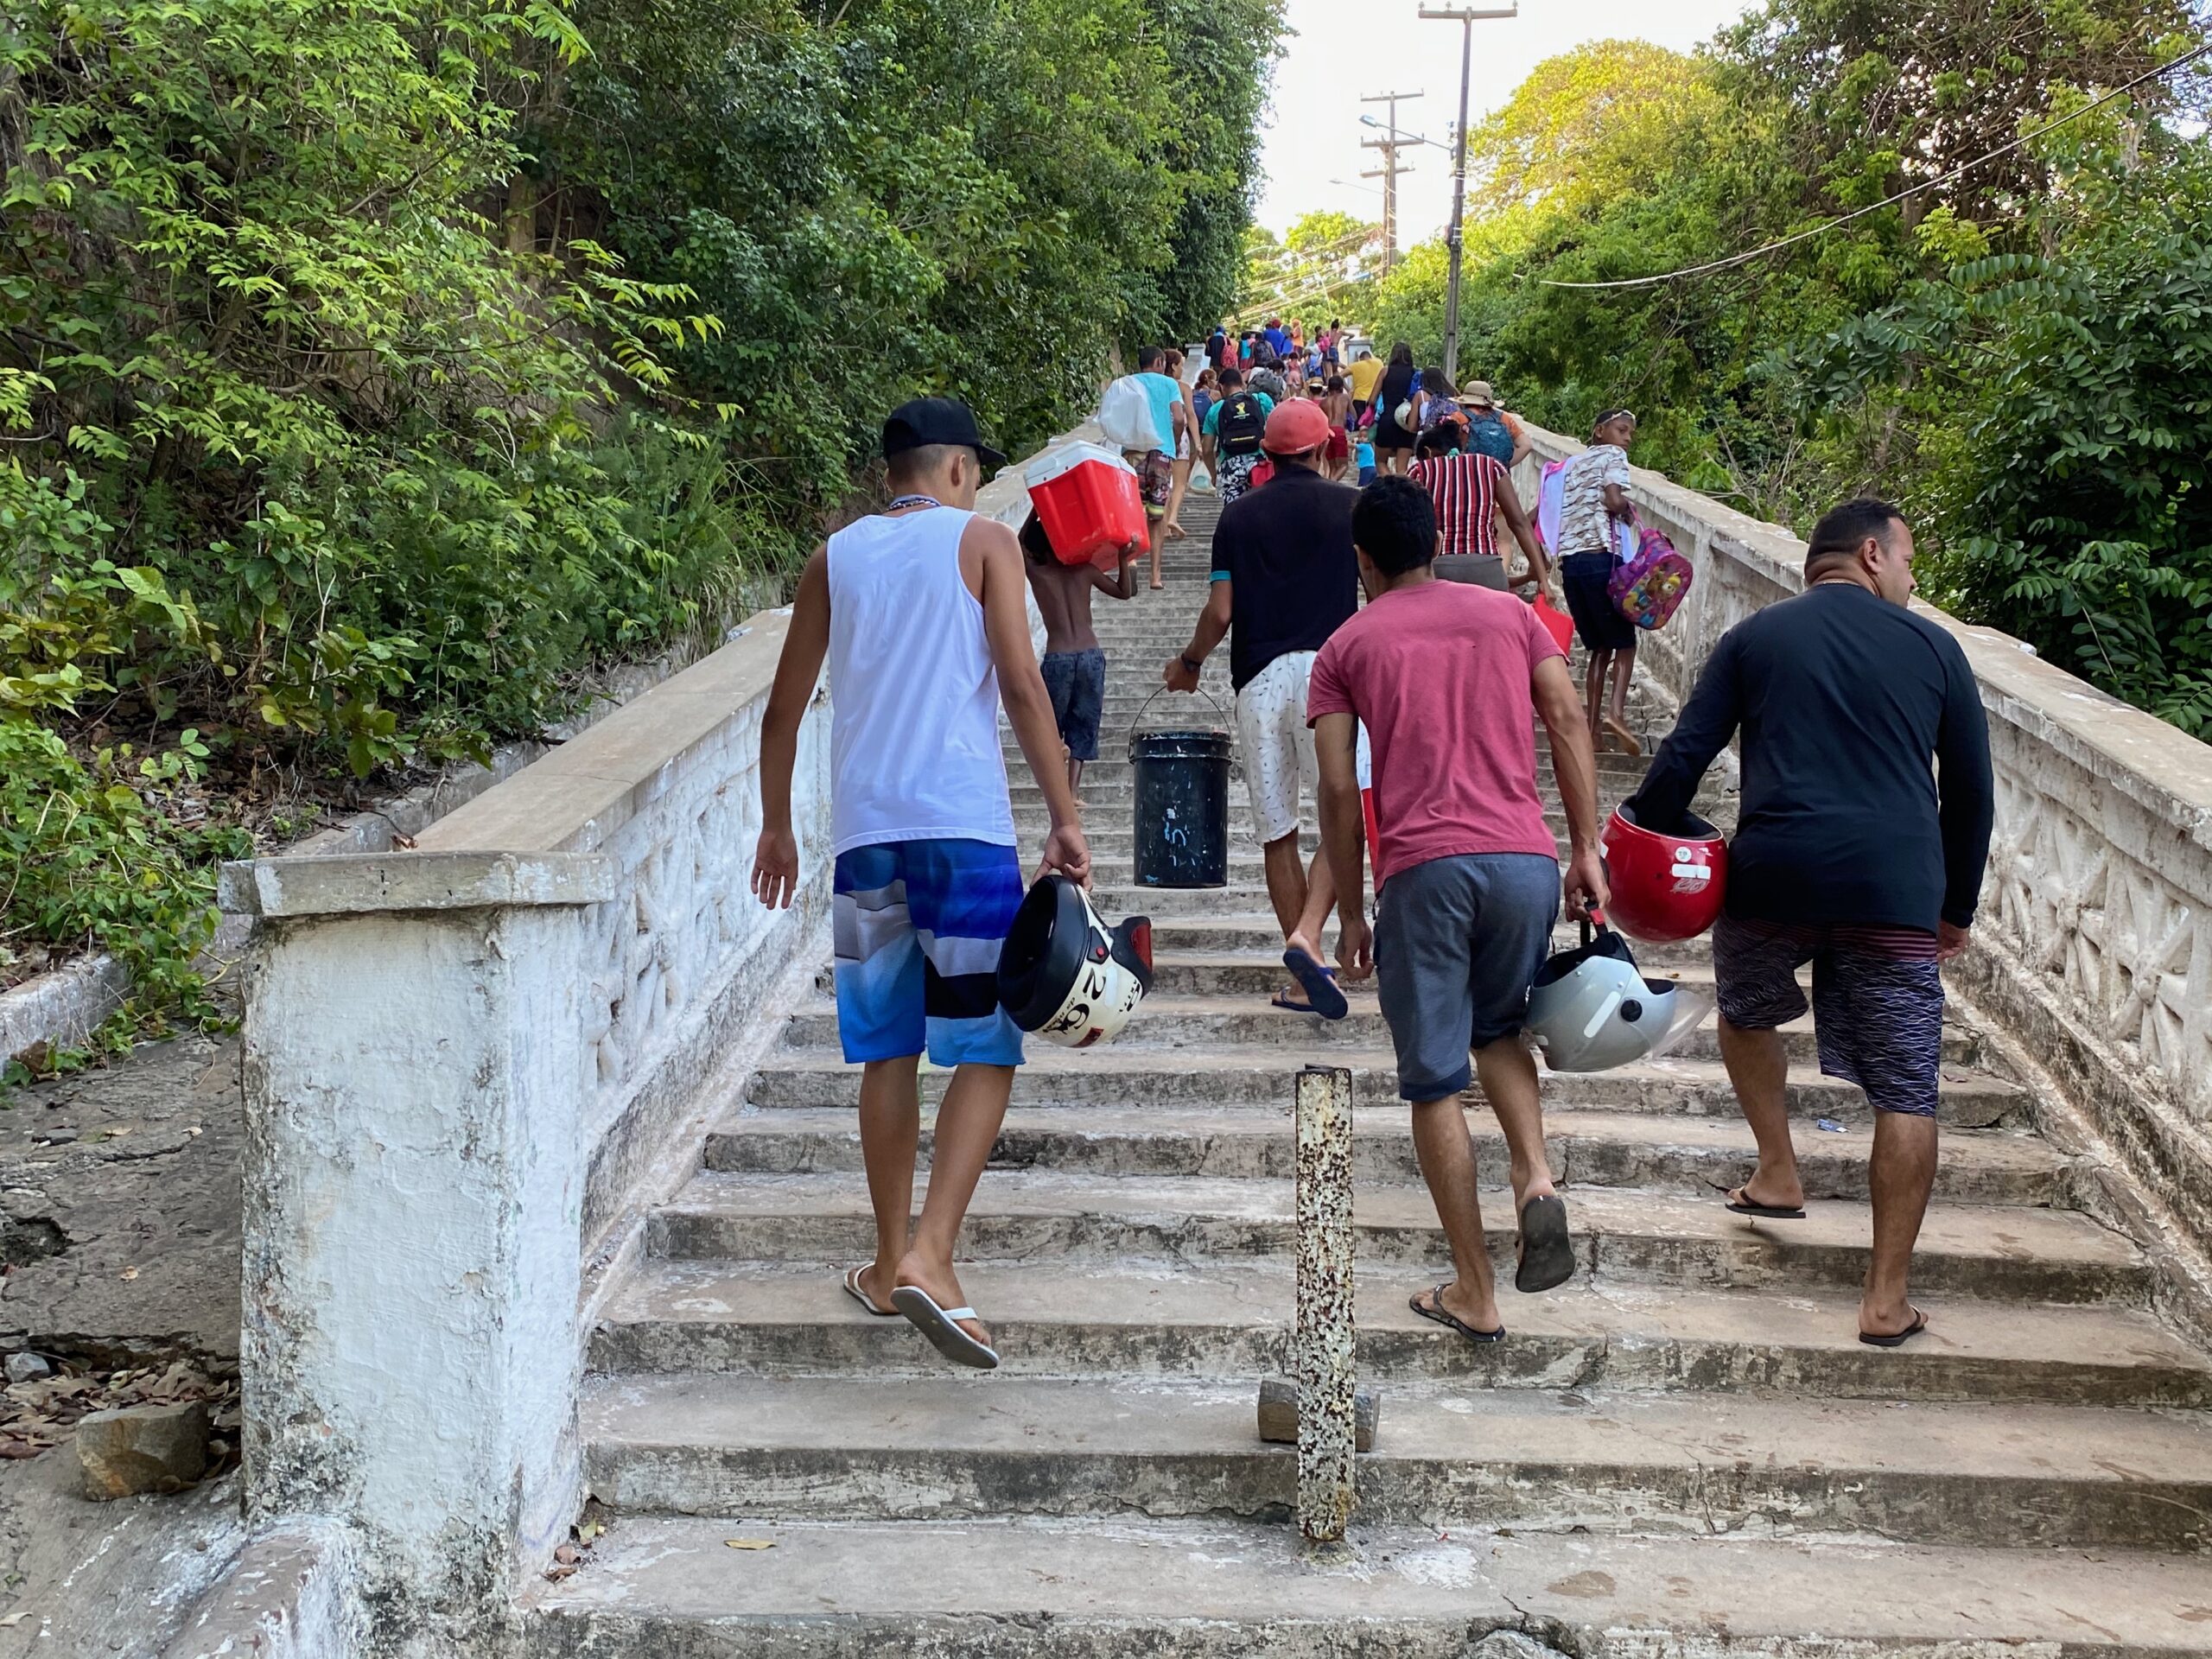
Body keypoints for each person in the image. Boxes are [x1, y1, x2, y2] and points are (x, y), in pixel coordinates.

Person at [751, 398, 1091, 1370]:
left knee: (887, 1050)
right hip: (965, 832)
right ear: (953, 470)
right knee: (984, 1045)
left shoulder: (834, 556)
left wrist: (777, 826)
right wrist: (1064, 816)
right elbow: (1023, 686)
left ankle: (882, 1255)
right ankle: (931, 1256)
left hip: (867, 841)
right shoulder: (984, 541)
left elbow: (783, 709)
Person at [1624, 498, 1994, 1348]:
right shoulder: (1936, 648)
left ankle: (1777, 1167)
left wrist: (1638, 841)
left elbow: (1685, 752)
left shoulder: (1755, 639)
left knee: (1748, 1009)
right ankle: (1884, 1299)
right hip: (1892, 890)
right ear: (1871, 555)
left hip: (1772, 877)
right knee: (1907, 1089)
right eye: (1906, 564)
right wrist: (1953, 909)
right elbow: (1971, 793)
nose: (1909, 581)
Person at [1306, 476, 1607, 1340]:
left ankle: (1473, 1291)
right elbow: (1565, 716)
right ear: (1437, 543)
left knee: (1435, 1079)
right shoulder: (1509, 617)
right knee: (1499, 1030)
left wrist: (1353, 914)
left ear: (1362, 560)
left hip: (1425, 872)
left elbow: (1335, 784)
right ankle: (1537, 1176)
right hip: (1522, 861)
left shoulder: (1346, 646)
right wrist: (1585, 846)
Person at [1165, 398, 1357, 1016]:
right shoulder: (1352, 507)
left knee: (1279, 831)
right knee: (1342, 810)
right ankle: (1312, 934)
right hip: (1333, 677)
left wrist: (1189, 663)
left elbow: (1221, 612)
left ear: (1265, 453)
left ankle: (1305, 970)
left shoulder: (1237, 517)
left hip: (1261, 682)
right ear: (1325, 446)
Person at [1022, 512, 1139, 790]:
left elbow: (1018, 541)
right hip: (1090, 655)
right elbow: (1125, 592)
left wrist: (1037, 509)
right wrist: (1123, 558)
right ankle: (1072, 791)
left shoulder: (1038, 574)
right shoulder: (1083, 570)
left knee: (1049, 724)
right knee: (1084, 724)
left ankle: (1057, 781)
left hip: (1058, 656)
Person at [1555, 409, 1642, 756]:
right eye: (1621, 430)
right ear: (1599, 431)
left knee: (1599, 649)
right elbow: (1613, 499)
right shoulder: (1614, 456)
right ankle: (1616, 713)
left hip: (1571, 564)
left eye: (1630, 433)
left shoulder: (1573, 465)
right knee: (1626, 642)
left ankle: (1593, 733)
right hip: (1601, 558)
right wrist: (1627, 510)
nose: (1627, 438)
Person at [1409, 417, 1547, 592]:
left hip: (1438, 570)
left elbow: (1407, 529)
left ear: (1427, 453)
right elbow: (1519, 522)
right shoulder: (1491, 466)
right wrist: (1543, 580)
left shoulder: (1420, 471)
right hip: (1487, 569)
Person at [1130, 346, 1187, 554]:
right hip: (1162, 452)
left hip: (1134, 453)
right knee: (1157, 512)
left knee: (1135, 506)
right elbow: (1179, 418)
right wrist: (1177, 439)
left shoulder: (1129, 383)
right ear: (1159, 363)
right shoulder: (1170, 384)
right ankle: (1155, 576)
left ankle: (1133, 559)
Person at [1200, 366, 1274, 505]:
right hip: (1259, 467)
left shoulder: (1215, 410)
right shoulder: (1261, 400)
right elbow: (1276, 432)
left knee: (1234, 516)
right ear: (1242, 383)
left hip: (1230, 469)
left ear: (1221, 387)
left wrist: (1214, 475)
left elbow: (1207, 450)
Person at [1158, 347, 1198, 559]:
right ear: (1173, 366)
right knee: (1180, 483)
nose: (1183, 368)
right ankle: (1173, 518)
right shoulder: (1182, 388)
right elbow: (1189, 415)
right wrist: (1198, 443)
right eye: (1181, 364)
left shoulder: (1156, 386)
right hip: (1178, 436)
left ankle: (1163, 526)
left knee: (1163, 483)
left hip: (1158, 438)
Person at [1371, 344, 1419, 477]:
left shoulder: (1385, 371)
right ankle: (1401, 491)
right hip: (1407, 422)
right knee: (1402, 469)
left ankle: (1391, 488)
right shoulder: (1415, 374)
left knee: (1380, 461)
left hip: (1387, 421)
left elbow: (1372, 400)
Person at [1462, 381, 1531, 469]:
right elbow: (1527, 445)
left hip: (1469, 475)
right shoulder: (1504, 418)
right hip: (1499, 479)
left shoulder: (1458, 417)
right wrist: (1504, 466)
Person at [1319, 375, 1355, 481]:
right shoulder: (1345, 398)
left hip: (1327, 432)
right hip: (1338, 431)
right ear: (1341, 387)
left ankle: (1330, 488)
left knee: (1333, 468)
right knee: (1344, 466)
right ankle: (1330, 486)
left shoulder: (1323, 402)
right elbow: (1354, 415)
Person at [1348, 345, 1386, 422]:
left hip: (1359, 399)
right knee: (1372, 424)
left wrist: (1348, 388)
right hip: (1375, 398)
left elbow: (1339, 376)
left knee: (1359, 424)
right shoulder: (1379, 363)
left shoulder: (1355, 366)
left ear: (1360, 358)